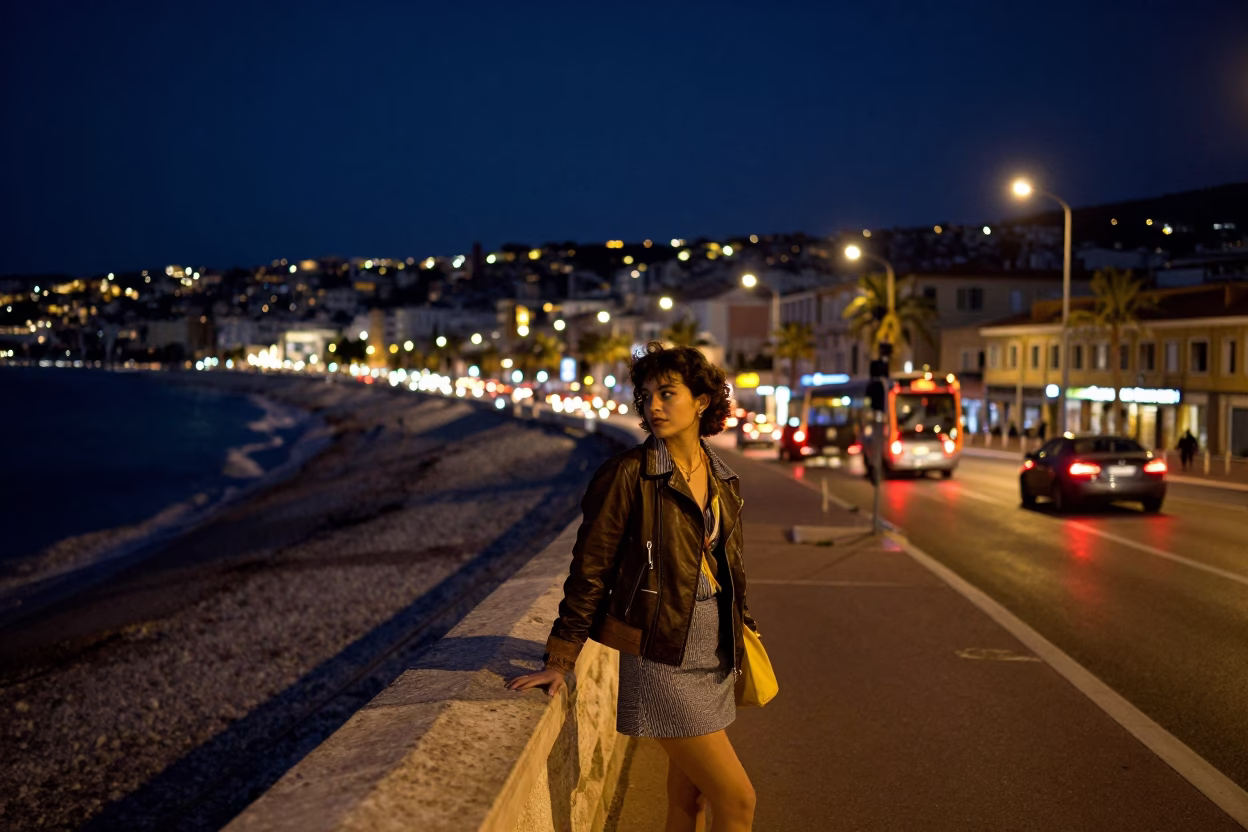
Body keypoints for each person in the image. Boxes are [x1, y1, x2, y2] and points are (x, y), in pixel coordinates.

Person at [507, 341, 759, 831]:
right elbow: (590, 570)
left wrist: (742, 626)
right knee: (739, 799)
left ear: (702, 401)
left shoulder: (722, 478)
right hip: (661, 653)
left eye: (667, 393)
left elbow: (731, 567)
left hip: (714, 654)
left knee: (692, 802)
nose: (654, 406)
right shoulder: (628, 475)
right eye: (646, 396)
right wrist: (560, 658)